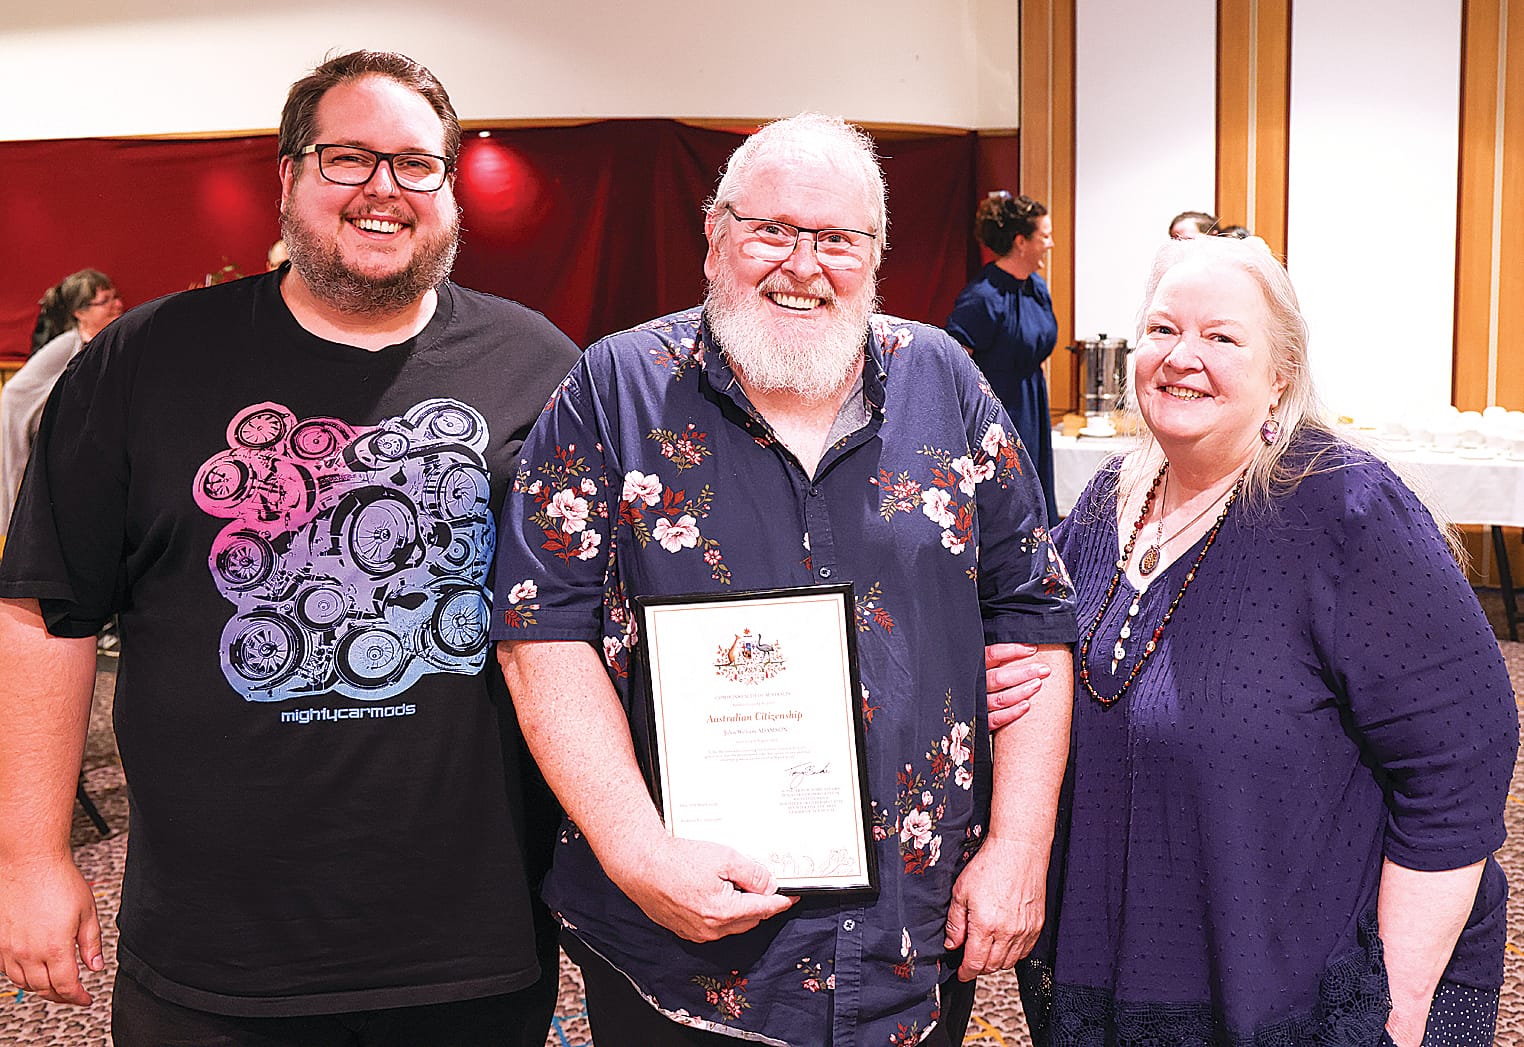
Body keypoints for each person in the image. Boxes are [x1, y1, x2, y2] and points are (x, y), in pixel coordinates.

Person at [0, 50, 580, 1045]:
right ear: (288, 175)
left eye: (416, 163)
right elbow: (43, 612)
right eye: (347, 159)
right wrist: (27, 860)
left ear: (449, 185)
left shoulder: (538, 362)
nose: (383, 191)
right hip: (215, 953)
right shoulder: (144, 361)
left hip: (469, 941)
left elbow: (586, 629)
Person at [492, 113, 1079, 1046]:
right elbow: (539, 634)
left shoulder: (946, 379)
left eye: (838, 238)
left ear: (876, 254)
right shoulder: (618, 387)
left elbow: (1036, 617)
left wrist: (1018, 845)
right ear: (716, 233)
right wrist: (639, 854)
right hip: (679, 945)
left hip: (915, 931)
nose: (803, 264)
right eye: (771, 230)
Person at [997, 235, 1516, 1046]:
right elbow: (1046, 637)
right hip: (1133, 966)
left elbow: (1460, 761)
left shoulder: (1345, 511)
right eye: (1163, 330)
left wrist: (1397, 1007)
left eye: (1221, 337)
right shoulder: (1111, 499)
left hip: (1301, 992)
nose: (1181, 357)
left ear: (1281, 375)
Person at [945, 191, 1061, 524]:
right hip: (997, 412)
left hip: (1032, 404)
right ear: (1021, 242)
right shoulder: (982, 297)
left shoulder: (1036, 287)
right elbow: (953, 367)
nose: (1050, 244)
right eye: (1045, 236)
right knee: (1006, 509)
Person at [1, 270, 122, 547]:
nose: (117, 304)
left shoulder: (108, 341)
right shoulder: (67, 344)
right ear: (80, 313)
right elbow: (15, 394)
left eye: (115, 296)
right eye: (105, 300)